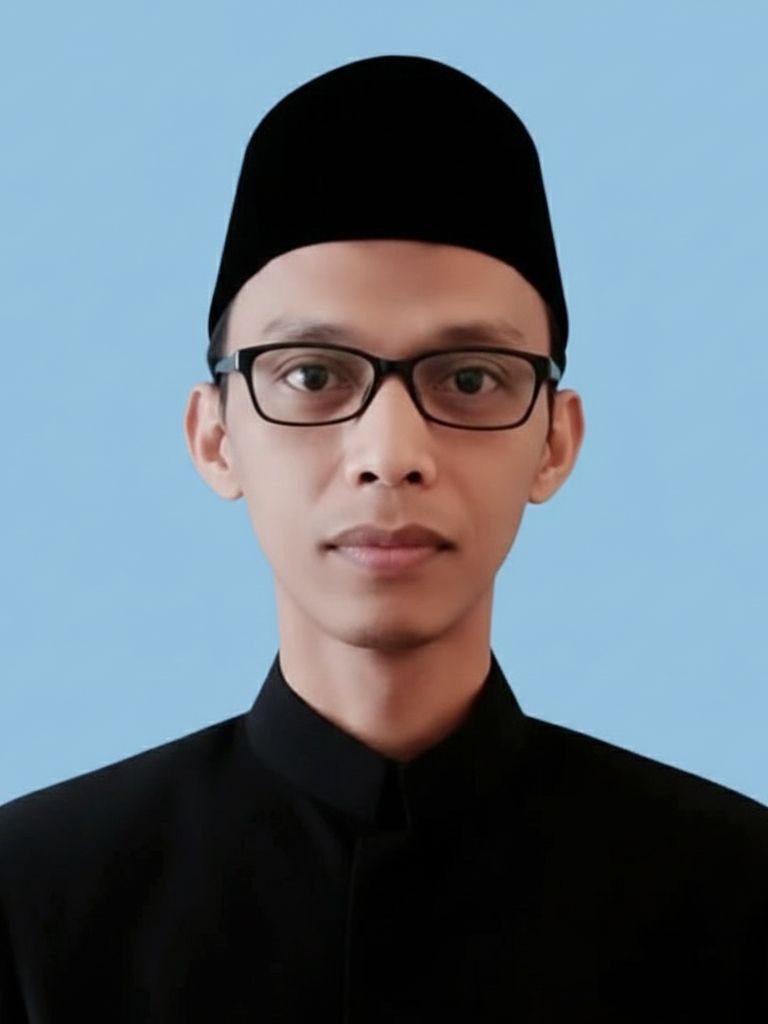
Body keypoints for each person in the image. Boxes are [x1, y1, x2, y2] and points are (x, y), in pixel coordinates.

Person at [1, 54, 766, 1023]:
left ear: (555, 442)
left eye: (471, 378)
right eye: (313, 375)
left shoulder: (738, 895)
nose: (391, 455)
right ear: (215, 436)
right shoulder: (32, 902)